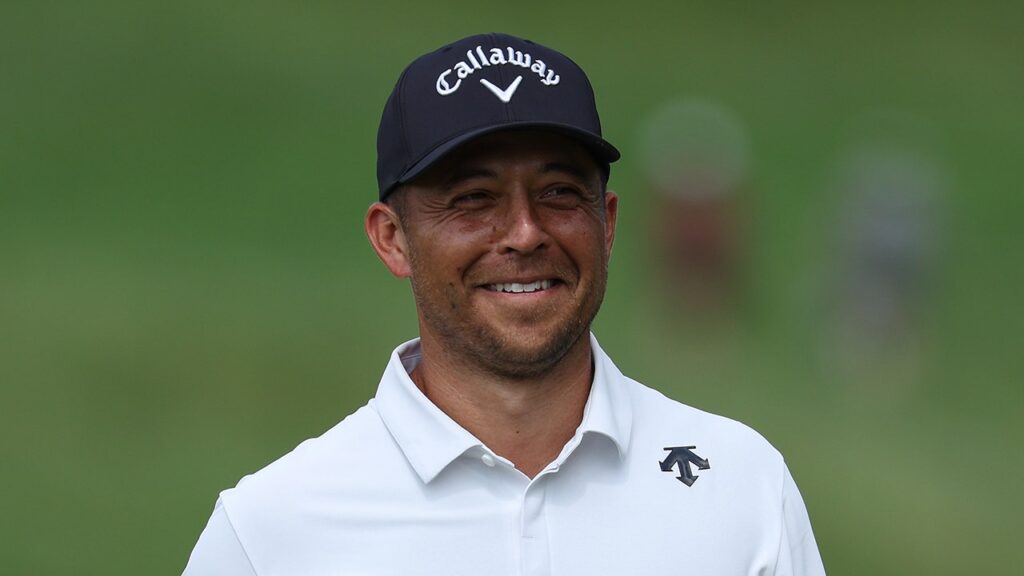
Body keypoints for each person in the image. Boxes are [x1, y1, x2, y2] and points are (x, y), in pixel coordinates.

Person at [182, 32, 826, 575]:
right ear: (392, 239)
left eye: (558, 192)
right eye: (473, 199)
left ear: (606, 223)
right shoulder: (272, 533)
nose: (524, 232)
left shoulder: (740, 485)